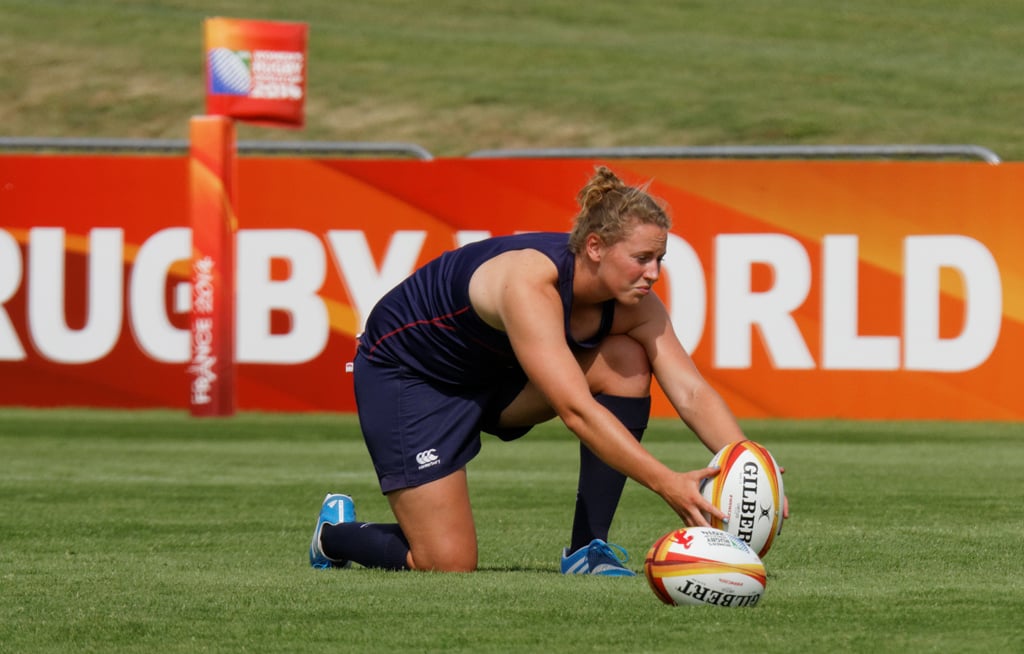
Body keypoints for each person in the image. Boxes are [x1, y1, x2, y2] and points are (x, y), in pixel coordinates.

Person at [310, 165, 759, 575]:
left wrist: (753, 466)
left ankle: (588, 551)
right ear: (595, 247)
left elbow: (692, 393)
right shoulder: (529, 281)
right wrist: (667, 483)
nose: (654, 273)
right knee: (447, 562)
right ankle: (333, 537)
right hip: (413, 378)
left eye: (659, 259)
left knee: (626, 360)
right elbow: (575, 410)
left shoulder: (635, 305)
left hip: (499, 379)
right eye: (641, 258)